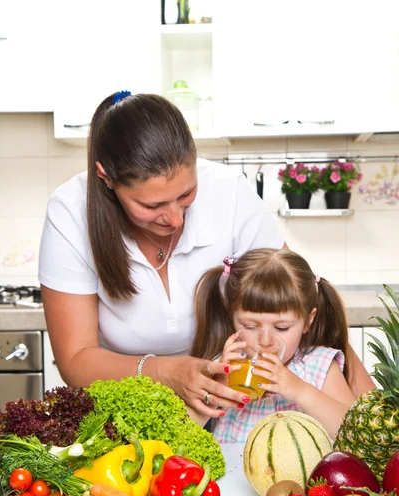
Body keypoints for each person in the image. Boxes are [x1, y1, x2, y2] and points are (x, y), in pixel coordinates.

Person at [39, 90, 373, 422]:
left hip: (221, 411)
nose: (175, 218)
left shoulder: (229, 193)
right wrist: (165, 372)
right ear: (106, 178)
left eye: (186, 195)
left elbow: (294, 296)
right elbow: (76, 359)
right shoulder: (70, 212)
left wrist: (375, 416)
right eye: (152, 205)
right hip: (122, 415)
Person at [190, 248, 360, 440]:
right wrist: (216, 390)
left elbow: (355, 433)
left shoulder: (318, 365)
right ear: (231, 316)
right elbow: (181, 436)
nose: (265, 341)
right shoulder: (226, 365)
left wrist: (300, 390)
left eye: (281, 328)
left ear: (308, 321)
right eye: (250, 326)